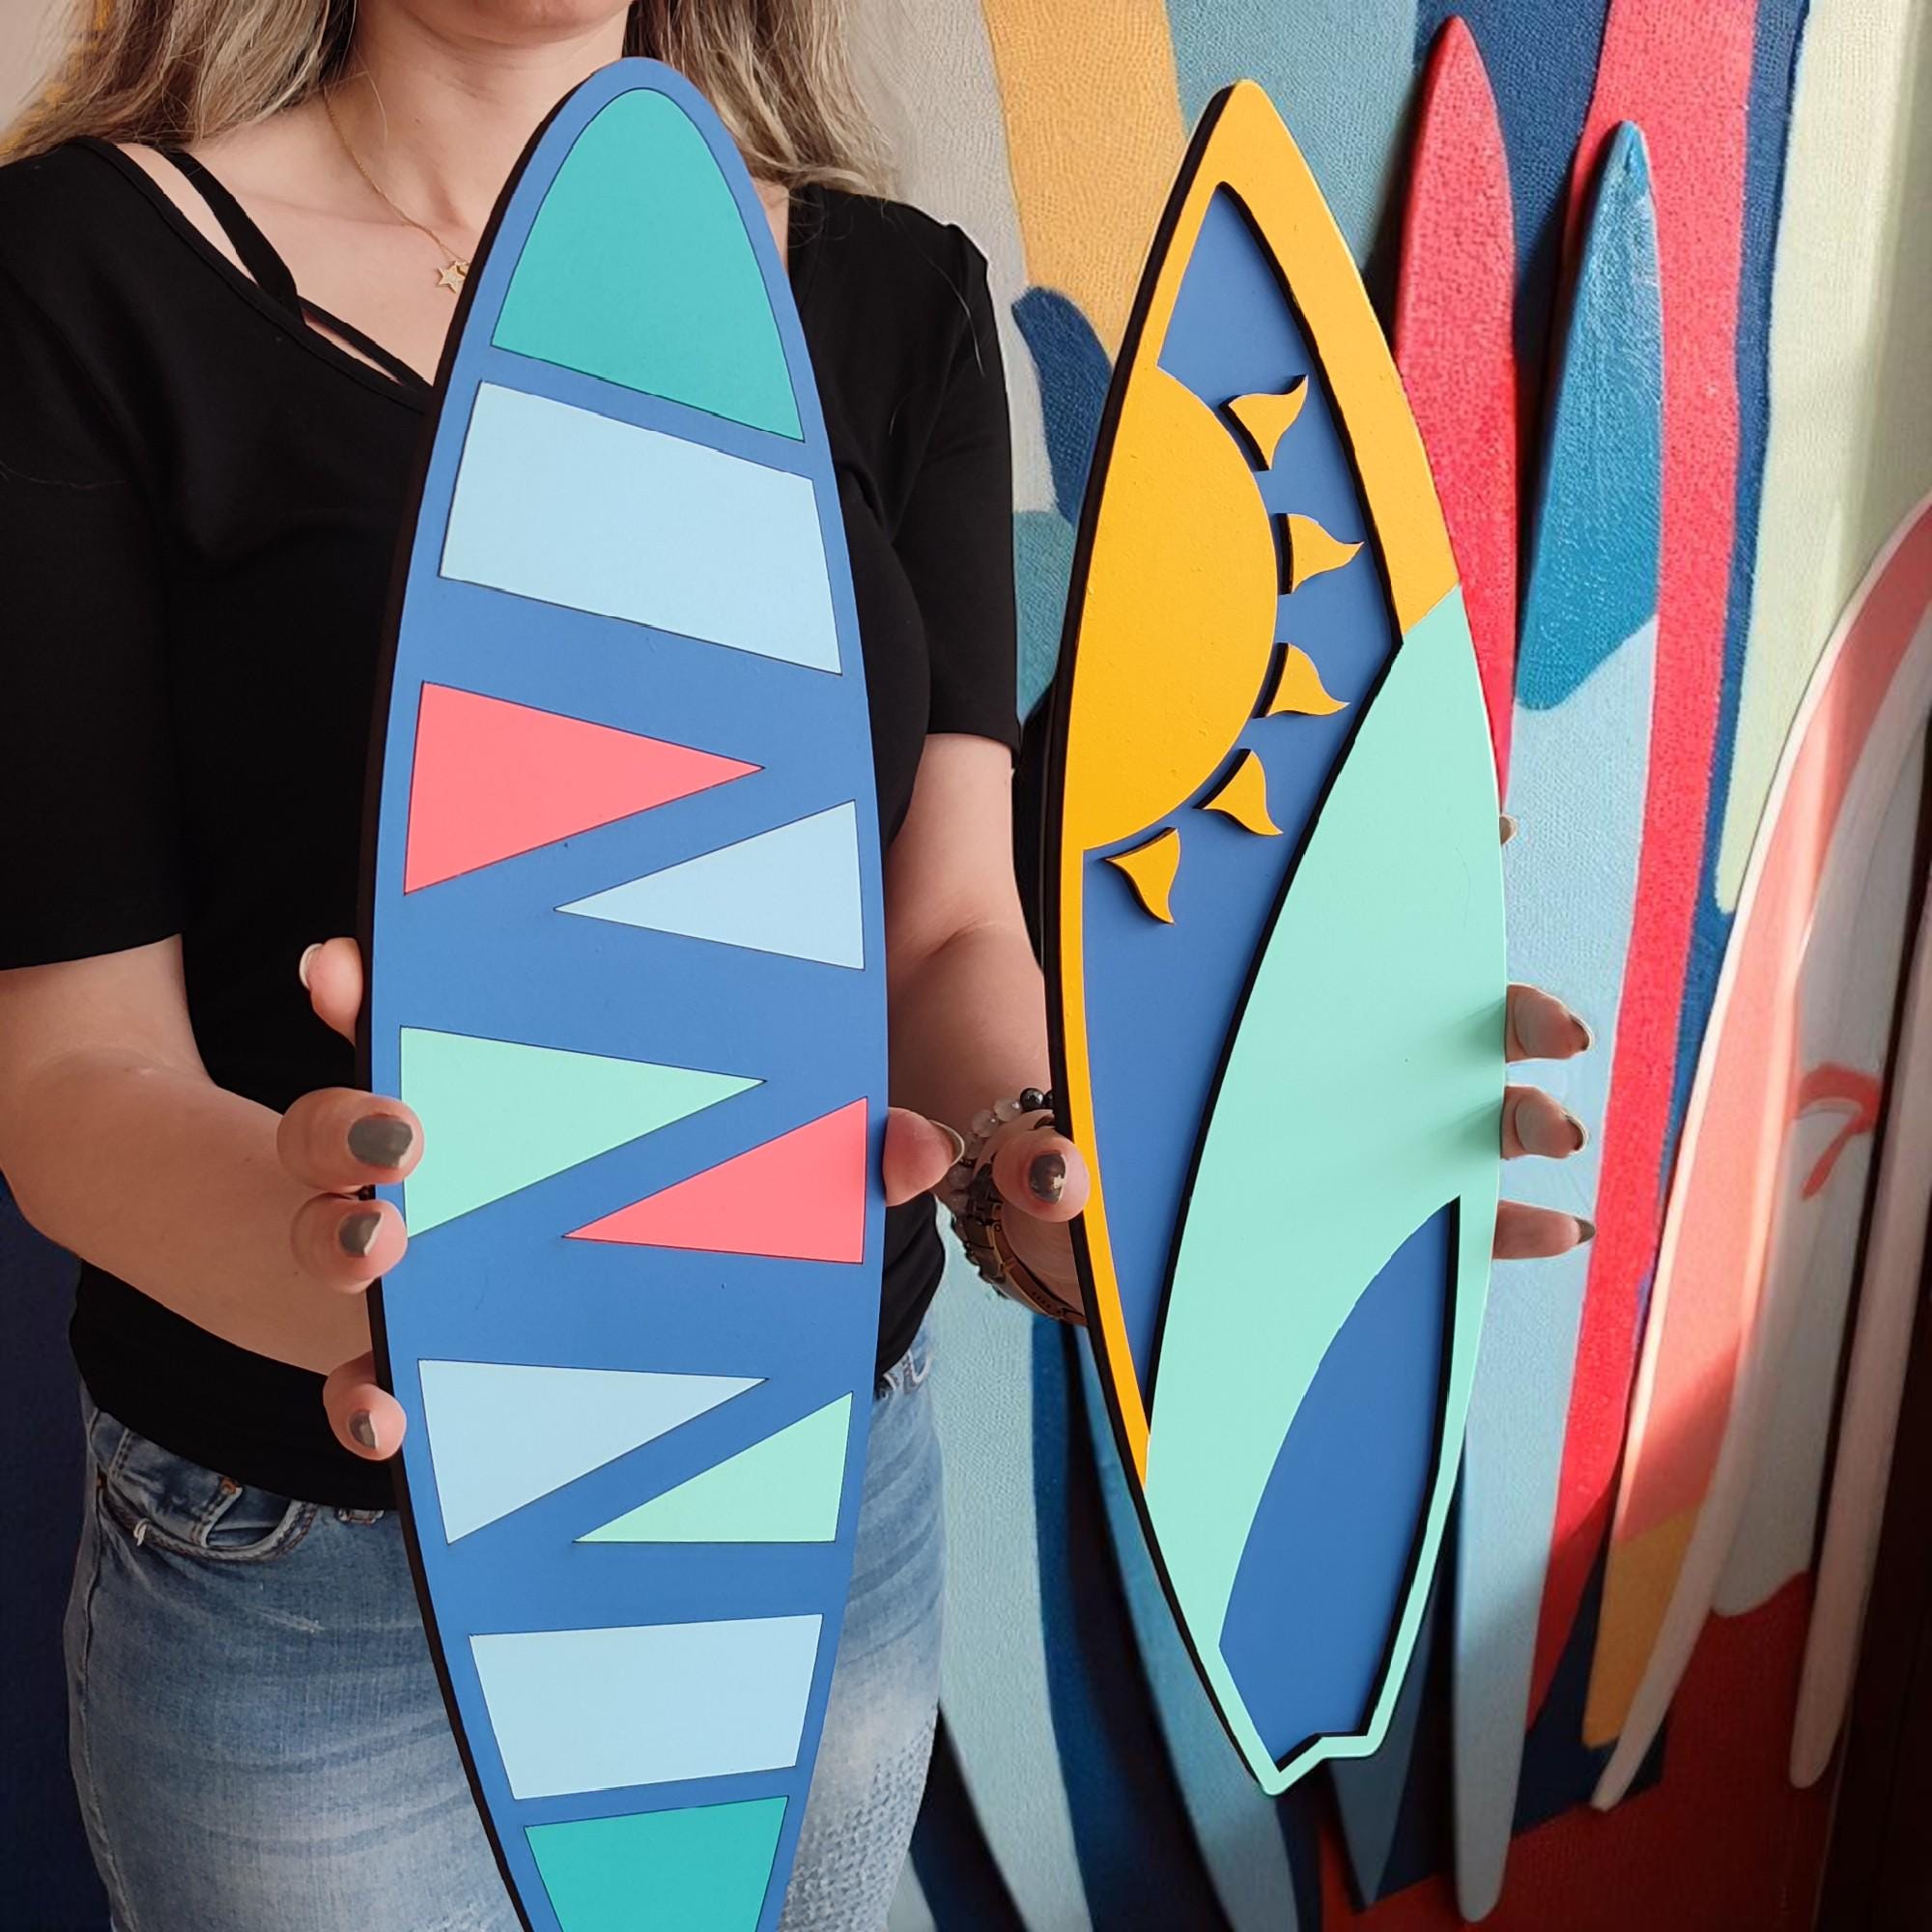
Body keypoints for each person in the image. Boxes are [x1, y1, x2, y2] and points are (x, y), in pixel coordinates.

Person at [0, 1, 1595, 1924]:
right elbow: (68, 1074)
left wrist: (1066, 1176)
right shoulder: (80, 275)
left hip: (814, 1493)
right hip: (313, 1567)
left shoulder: (896, 297)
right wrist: (359, 1266)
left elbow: (944, 930)